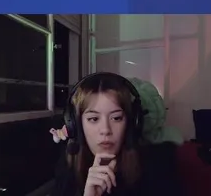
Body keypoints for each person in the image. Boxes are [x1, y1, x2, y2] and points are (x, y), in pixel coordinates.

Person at [50, 72, 182, 196]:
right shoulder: (68, 167)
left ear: (132, 122)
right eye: (94, 119)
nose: (106, 130)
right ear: (77, 124)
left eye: (116, 118)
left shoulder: (158, 165)